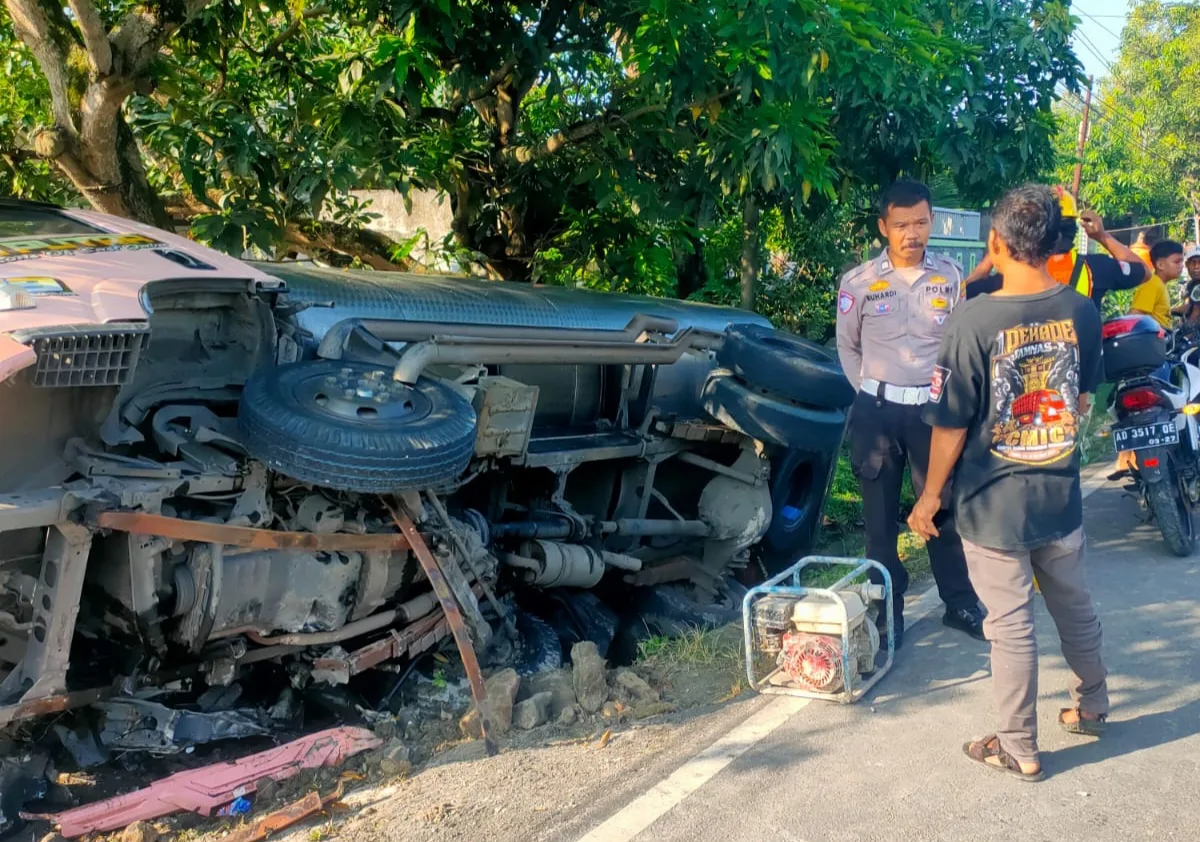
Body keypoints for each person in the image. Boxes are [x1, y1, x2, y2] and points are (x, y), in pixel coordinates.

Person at [909, 183, 1109, 783]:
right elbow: (1081, 399)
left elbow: (948, 426)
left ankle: (1019, 744)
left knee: (1010, 622)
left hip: (995, 504)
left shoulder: (973, 319)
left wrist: (929, 497)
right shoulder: (1081, 309)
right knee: (1073, 603)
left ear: (994, 243)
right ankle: (1094, 702)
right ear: (1052, 244)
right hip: (1060, 493)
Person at [835, 179, 983, 649]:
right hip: (876, 413)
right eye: (901, 225)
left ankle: (959, 604)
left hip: (931, 414)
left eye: (920, 222)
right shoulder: (857, 282)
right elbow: (847, 345)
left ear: (931, 222)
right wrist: (868, 393)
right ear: (884, 227)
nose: (911, 233)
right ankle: (885, 615)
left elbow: (958, 346)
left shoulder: (950, 276)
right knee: (878, 526)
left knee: (941, 510)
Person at [963, 188, 1148, 308]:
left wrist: (991, 256)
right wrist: (1102, 236)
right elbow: (1144, 271)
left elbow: (962, 295)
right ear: (1073, 229)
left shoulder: (1009, 279)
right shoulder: (1096, 269)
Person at [1130, 240, 1184, 329]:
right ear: (1160, 265)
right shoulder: (1153, 285)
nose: (1181, 265)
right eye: (1177, 262)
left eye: (1182, 261)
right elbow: (1133, 317)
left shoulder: (1160, 285)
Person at [1169, 244, 1200, 324]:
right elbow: (1190, 307)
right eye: (1193, 263)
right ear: (1187, 265)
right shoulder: (1192, 284)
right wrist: (1169, 311)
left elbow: (1195, 314)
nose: (1197, 266)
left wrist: (1185, 335)